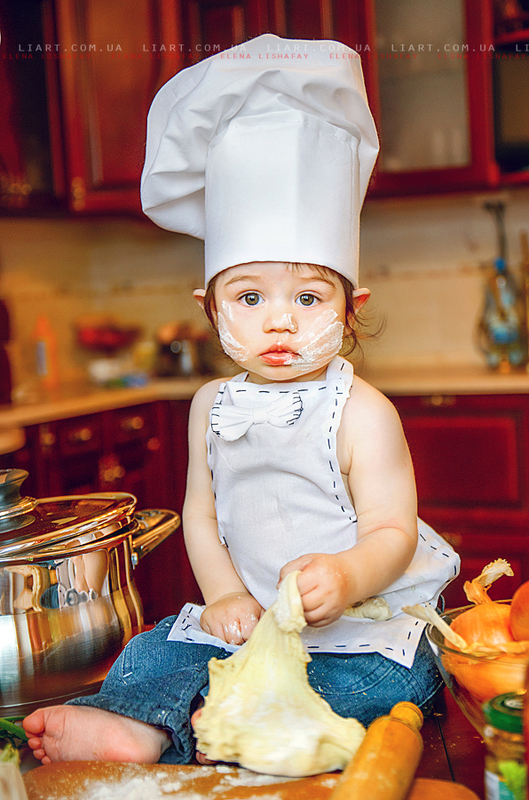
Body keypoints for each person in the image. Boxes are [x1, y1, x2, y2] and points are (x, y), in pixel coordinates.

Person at [23, 33, 460, 767]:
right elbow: (200, 514)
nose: (279, 321)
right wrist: (224, 594)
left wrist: (347, 576)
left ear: (351, 308)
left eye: (308, 297)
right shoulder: (210, 405)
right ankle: (150, 724)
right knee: (154, 652)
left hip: (362, 625)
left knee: (386, 683)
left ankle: (193, 730)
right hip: (251, 622)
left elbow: (393, 530)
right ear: (209, 306)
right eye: (249, 297)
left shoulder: (363, 412)